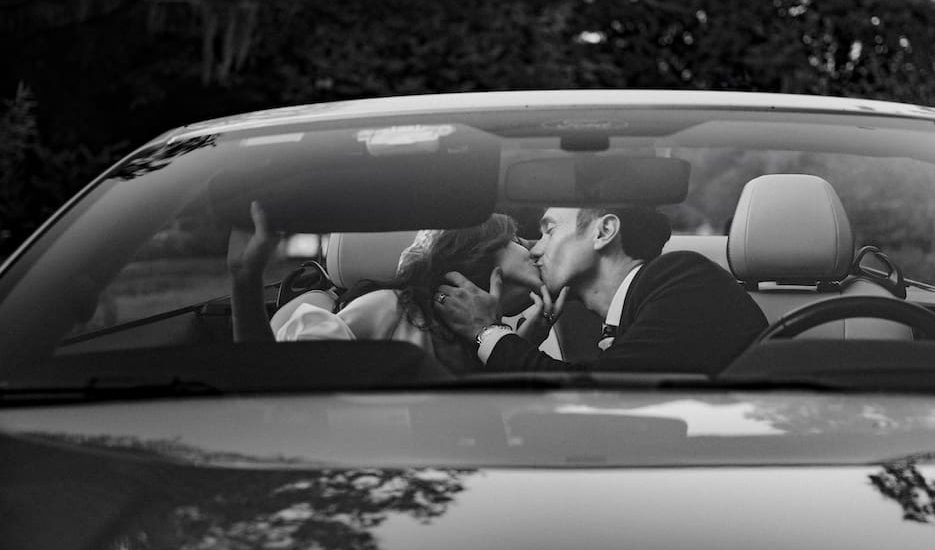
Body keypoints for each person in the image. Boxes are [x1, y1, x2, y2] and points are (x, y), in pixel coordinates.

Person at [435, 206, 768, 373]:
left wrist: (488, 333)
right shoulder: (643, 302)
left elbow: (597, 395)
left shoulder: (682, 276)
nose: (536, 250)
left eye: (549, 231)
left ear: (603, 231)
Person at [229, 201, 551, 373]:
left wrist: (507, 354)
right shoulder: (392, 307)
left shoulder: (508, 334)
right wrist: (245, 279)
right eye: (518, 240)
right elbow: (281, 381)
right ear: (478, 250)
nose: (535, 248)